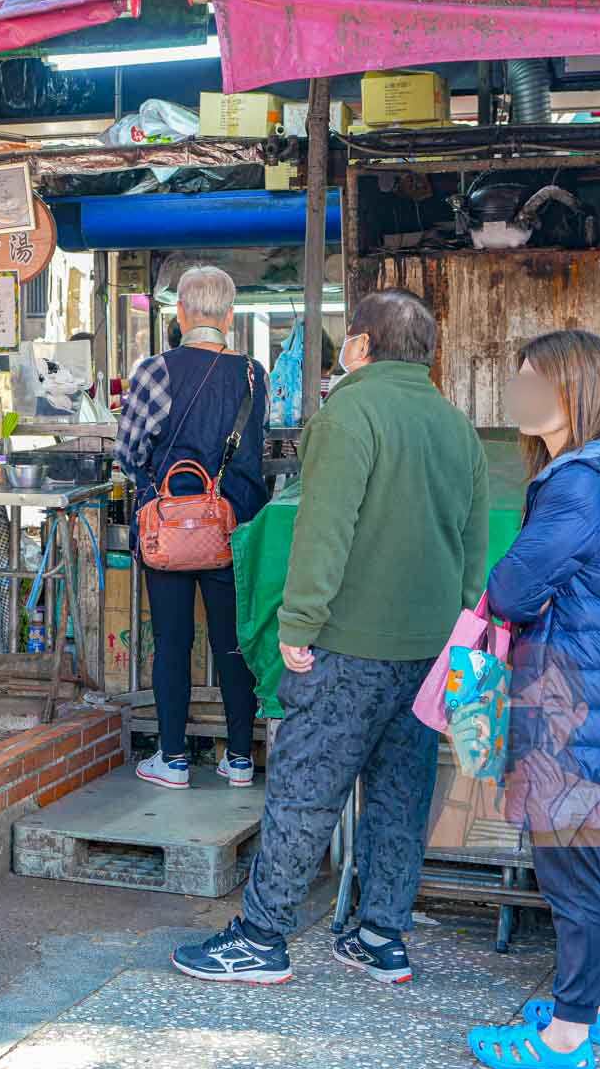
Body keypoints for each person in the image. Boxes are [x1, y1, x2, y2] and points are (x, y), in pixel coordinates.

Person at [175, 288, 487, 986]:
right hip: (430, 651)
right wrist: (457, 635)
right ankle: (380, 934)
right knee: (402, 795)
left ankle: (261, 937)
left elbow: (324, 530)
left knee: (306, 789)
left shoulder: (349, 412)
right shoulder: (456, 426)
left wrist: (298, 622)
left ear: (362, 346)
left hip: (347, 645)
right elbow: (474, 546)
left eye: (349, 337)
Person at [468, 330, 600, 1069]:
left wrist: (497, 589)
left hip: (571, 705)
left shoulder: (577, 485)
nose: (518, 395)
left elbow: (514, 588)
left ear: (573, 391)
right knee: (593, 867)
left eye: (532, 382)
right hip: (596, 698)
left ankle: (567, 1035)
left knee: (571, 875)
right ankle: (599, 1007)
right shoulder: (596, 472)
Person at [114, 265, 269, 789]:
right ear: (229, 315)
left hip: (169, 528)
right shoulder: (253, 374)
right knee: (233, 643)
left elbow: (129, 450)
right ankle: (241, 758)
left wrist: (157, 484)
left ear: (180, 313)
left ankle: (174, 758)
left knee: (172, 641)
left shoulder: (155, 370)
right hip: (234, 528)